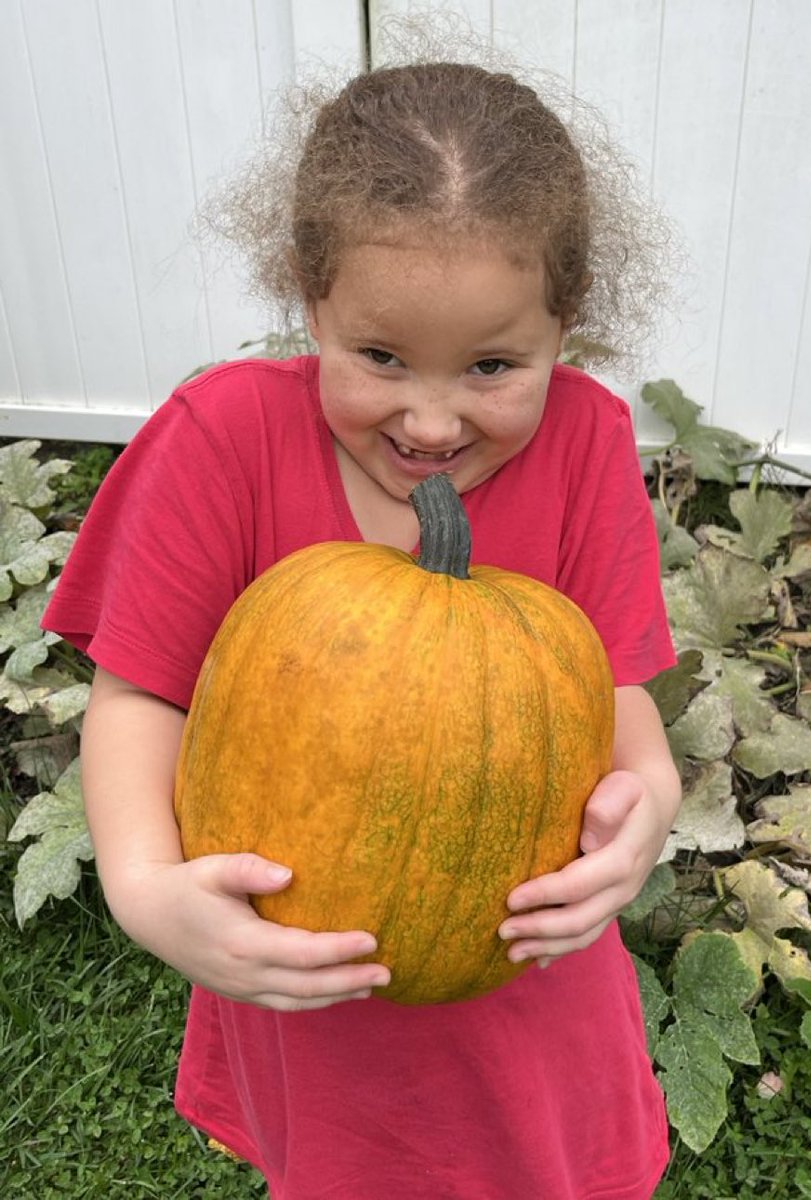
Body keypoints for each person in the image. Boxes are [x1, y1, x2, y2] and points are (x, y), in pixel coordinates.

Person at [44, 55, 682, 1200]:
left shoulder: (585, 442)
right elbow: (142, 692)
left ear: (565, 322)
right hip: (307, 990)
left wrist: (650, 807)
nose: (431, 420)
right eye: (380, 356)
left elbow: (619, 691)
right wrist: (145, 887)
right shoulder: (223, 439)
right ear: (309, 294)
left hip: (528, 983)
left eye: (492, 366)